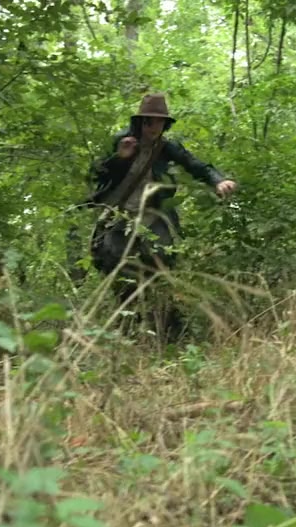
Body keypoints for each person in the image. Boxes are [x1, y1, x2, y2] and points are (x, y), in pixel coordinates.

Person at [83, 92, 237, 342]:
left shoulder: (167, 148)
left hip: (153, 215)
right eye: (149, 121)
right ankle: (128, 326)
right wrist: (119, 158)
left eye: (159, 122)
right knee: (117, 266)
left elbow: (195, 165)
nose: (154, 127)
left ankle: (170, 330)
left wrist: (218, 180)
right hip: (119, 214)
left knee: (162, 266)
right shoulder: (122, 141)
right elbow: (96, 174)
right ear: (140, 122)